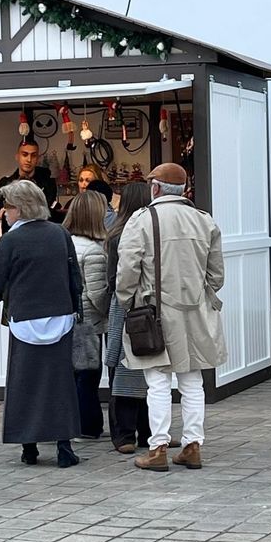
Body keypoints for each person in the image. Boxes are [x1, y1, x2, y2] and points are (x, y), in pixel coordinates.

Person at [115, 163, 226, 472]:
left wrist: (127, 302)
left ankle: (158, 448)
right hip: (196, 312)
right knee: (192, 381)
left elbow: (127, 271)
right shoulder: (205, 221)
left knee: (158, 382)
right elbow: (216, 275)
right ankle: (192, 446)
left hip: (154, 314)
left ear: (155, 188)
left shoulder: (141, 220)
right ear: (183, 190)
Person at [0, 181, 83, 468]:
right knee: (60, 383)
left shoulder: (11, 241)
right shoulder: (60, 233)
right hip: (60, 316)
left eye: (9, 206)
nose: (5, 212)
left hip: (25, 317)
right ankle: (64, 446)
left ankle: (29, 446)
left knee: (24, 382)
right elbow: (74, 276)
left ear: (20, 208)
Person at [104, 182, 152, 453]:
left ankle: (124, 435)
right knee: (147, 368)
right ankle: (146, 432)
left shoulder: (116, 236)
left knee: (123, 370)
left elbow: (113, 280)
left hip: (123, 307)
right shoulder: (149, 231)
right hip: (147, 305)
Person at [64, 190, 111, 441]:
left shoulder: (65, 243)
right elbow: (97, 294)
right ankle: (87, 426)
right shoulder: (93, 251)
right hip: (88, 321)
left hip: (67, 318)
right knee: (88, 374)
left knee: (72, 374)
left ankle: (68, 423)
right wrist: (110, 313)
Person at [0, 141, 61, 222]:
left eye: (33, 155)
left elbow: (51, 209)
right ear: (17, 156)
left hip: (40, 229)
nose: (29, 159)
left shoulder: (48, 183)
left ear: (38, 159)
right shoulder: (4, 183)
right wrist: (0, 214)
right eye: (25, 154)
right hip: (10, 230)